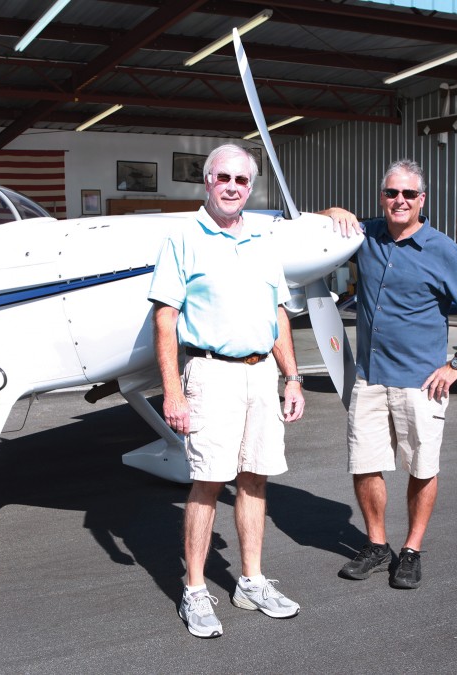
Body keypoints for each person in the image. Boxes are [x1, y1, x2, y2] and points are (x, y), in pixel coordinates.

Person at [148, 143, 305, 638]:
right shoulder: (182, 237)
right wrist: (172, 392)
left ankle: (251, 581)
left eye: (241, 180)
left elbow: (277, 312)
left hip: (261, 374)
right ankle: (195, 590)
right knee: (209, 480)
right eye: (223, 178)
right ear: (208, 180)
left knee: (256, 477)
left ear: (250, 186)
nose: (232, 187)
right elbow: (165, 318)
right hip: (210, 373)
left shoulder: (263, 238)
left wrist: (293, 377)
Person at [323, 159, 457, 590]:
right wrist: (332, 212)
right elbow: (317, 229)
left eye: (408, 194)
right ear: (382, 196)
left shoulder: (443, 250)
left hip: (421, 382)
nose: (399, 201)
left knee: (421, 467)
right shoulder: (366, 236)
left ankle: (412, 550)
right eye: (391, 193)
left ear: (422, 200)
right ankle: (378, 546)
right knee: (364, 464)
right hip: (370, 376)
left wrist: (456, 365)